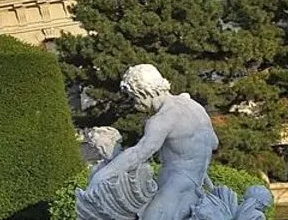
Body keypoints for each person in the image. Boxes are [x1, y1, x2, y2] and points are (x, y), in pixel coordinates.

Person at [91, 64, 218, 220]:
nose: (134, 103)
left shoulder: (161, 119)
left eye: (133, 97)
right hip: (196, 184)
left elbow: (139, 153)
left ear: (143, 92)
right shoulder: (194, 106)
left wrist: (103, 175)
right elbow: (213, 142)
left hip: (176, 185)